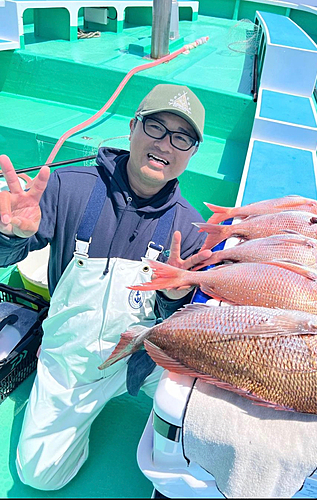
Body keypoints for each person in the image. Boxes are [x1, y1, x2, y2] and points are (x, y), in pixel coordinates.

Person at [0, 83, 212, 491]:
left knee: (208, 414)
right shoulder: (68, 187)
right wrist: (8, 237)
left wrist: (174, 297)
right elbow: (6, 257)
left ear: (191, 153)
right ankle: (74, 419)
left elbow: (179, 323)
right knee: (40, 476)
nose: (165, 144)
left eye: (181, 137)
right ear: (132, 128)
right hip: (72, 361)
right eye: (156, 127)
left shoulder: (190, 228)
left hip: (145, 357)